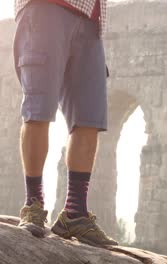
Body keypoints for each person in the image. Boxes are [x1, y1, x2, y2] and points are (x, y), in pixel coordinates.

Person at [13, 0, 117, 246]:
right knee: (39, 110)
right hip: (44, 8)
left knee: (89, 119)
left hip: (91, 17)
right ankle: (33, 204)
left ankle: (75, 213)